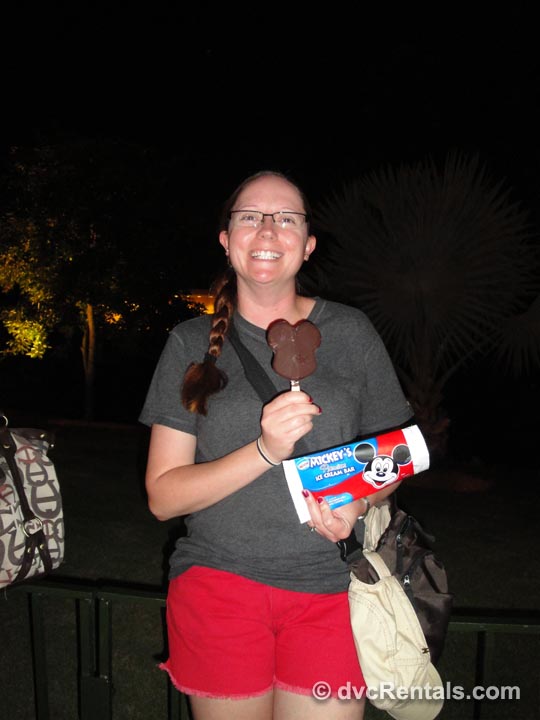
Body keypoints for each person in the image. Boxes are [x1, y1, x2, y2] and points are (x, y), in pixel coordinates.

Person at [139, 170, 413, 720]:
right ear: (226, 239)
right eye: (250, 217)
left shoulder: (351, 331)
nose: (268, 229)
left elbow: (398, 453)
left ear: (308, 244)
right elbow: (163, 497)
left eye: (286, 218)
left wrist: (359, 501)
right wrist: (264, 449)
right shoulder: (190, 342)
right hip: (219, 585)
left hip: (334, 587)